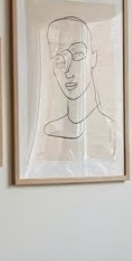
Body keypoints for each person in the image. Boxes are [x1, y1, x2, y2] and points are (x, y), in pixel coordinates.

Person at [43, 16, 115, 158]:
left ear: (93, 58)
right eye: (58, 59)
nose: (68, 71)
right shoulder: (51, 130)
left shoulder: (109, 131)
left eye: (77, 54)